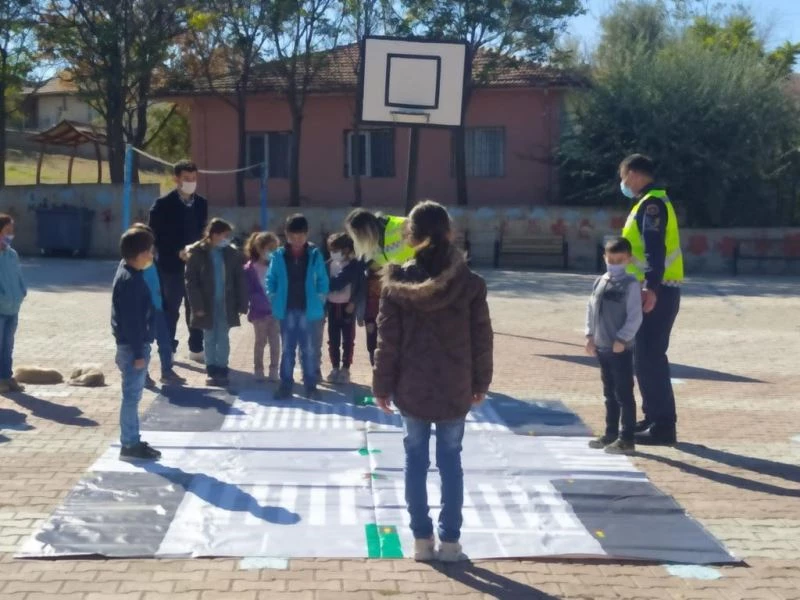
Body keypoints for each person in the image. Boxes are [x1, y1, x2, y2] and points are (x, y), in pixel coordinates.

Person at [373, 200, 493, 563]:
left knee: (414, 461)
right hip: (456, 384)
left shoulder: (397, 283)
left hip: (412, 386)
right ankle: (451, 542)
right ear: (449, 232)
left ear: (410, 235)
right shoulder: (470, 283)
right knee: (451, 461)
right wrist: (481, 381)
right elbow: (482, 337)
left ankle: (421, 541)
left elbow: (386, 341)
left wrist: (381, 386)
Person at [619, 153, 684, 445]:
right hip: (651, 289)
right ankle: (652, 417)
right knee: (643, 357)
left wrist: (650, 287)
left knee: (650, 357)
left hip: (657, 291)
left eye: (623, 175)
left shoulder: (653, 205)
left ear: (633, 173)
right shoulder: (645, 204)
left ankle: (663, 427)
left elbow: (654, 251)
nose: (622, 182)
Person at [585, 238, 643, 455]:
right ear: (604, 258)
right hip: (602, 346)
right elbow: (590, 309)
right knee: (609, 393)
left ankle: (627, 437)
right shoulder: (600, 281)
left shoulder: (631, 284)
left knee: (624, 394)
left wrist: (623, 338)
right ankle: (610, 433)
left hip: (620, 349)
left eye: (619, 260)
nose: (614, 264)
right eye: (611, 259)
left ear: (628, 260)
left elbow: (635, 316)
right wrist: (589, 335)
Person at [149, 160, 208, 363]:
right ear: (176, 179)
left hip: (196, 266)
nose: (190, 182)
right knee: (170, 308)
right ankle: (168, 348)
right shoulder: (162, 205)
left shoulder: (201, 203)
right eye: (186, 179)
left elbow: (204, 233)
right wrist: (176, 252)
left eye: (193, 178)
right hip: (170, 266)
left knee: (196, 306)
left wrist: (199, 249)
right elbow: (154, 236)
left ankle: (197, 347)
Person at [267, 214, 329, 401]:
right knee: (287, 348)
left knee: (308, 349)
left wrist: (320, 298)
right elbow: (271, 279)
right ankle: (285, 385)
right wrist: (273, 296)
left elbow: (323, 280)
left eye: (301, 235)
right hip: (286, 309)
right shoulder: (278, 255)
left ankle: (310, 386)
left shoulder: (315, 254)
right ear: (286, 234)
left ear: (307, 234)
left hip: (308, 310)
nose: (296, 240)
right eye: (292, 235)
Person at [112, 227, 161, 461]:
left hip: (132, 345)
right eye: (149, 251)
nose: (152, 256)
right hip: (133, 347)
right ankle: (129, 444)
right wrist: (139, 353)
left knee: (132, 396)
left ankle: (132, 439)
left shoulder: (128, 270)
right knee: (131, 397)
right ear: (139, 254)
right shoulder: (130, 280)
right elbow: (132, 322)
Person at [344, 209, 416, 366]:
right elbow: (367, 267)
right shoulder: (369, 244)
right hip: (394, 293)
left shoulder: (400, 225)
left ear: (366, 230)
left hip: (416, 286)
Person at [184, 218, 248, 387]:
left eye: (228, 235)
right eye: (224, 235)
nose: (227, 239)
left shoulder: (232, 254)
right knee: (209, 336)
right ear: (214, 235)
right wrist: (196, 306)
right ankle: (211, 368)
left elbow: (239, 279)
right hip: (206, 304)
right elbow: (191, 281)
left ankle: (222, 367)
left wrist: (242, 303)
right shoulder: (198, 253)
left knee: (223, 337)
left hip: (226, 304)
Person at [130, 224, 186, 388]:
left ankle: (167, 371)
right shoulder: (133, 262)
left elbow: (158, 281)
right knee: (145, 343)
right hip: (143, 309)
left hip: (158, 307)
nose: (151, 247)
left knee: (165, 340)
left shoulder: (152, 260)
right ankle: (143, 374)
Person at [325, 232, 365, 384]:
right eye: (331, 250)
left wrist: (353, 302)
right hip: (332, 306)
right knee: (333, 339)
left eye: (336, 250)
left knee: (348, 340)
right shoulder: (328, 264)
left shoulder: (355, 266)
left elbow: (361, 288)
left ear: (347, 249)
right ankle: (335, 367)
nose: (333, 253)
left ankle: (346, 369)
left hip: (348, 307)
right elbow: (323, 283)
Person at [244, 231, 281, 382]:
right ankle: (258, 369)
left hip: (276, 312)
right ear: (259, 248)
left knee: (275, 342)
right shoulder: (249, 269)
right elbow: (248, 290)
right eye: (268, 248)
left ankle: (274, 370)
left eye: (274, 249)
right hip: (259, 313)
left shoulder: (277, 266)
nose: (270, 252)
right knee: (260, 342)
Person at [0, 214, 27, 394]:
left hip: (13, 308)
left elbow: (18, 276)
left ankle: (6, 377)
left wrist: (22, 292)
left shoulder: (12, 254)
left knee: (8, 345)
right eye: (7, 231)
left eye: (12, 231)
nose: (10, 234)